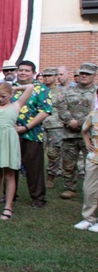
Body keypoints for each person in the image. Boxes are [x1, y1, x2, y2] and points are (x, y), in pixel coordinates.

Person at [0, 81, 33, 221]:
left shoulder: (16, 106)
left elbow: (30, 87)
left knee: (9, 176)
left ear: (11, 95)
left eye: (3, 96)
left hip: (8, 143)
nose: (0, 99)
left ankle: (8, 207)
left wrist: (14, 87)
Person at [54, 62, 98, 199]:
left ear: (94, 76)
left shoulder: (96, 92)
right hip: (70, 133)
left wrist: (80, 123)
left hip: (91, 136)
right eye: (82, 73)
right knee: (68, 163)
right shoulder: (67, 91)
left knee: (92, 163)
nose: (84, 76)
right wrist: (69, 121)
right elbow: (61, 108)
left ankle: (92, 189)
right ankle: (69, 188)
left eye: (87, 74)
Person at [12, 60, 52, 209]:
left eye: (27, 70)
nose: (23, 73)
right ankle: (10, 194)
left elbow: (44, 112)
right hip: (11, 134)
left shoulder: (41, 89)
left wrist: (26, 127)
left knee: (33, 168)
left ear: (33, 73)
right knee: (9, 165)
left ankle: (38, 197)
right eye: (20, 70)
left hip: (32, 134)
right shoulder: (11, 88)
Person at [73, 101, 98, 232]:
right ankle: (88, 219)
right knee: (89, 189)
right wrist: (88, 143)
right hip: (94, 159)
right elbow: (84, 130)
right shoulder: (93, 115)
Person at [39, 67, 66, 188]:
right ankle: (36, 176)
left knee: (54, 152)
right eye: (45, 76)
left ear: (56, 77)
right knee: (36, 152)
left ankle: (51, 176)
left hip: (55, 126)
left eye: (50, 76)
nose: (47, 78)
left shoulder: (62, 92)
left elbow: (65, 108)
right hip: (38, 125)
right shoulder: (39, 90)